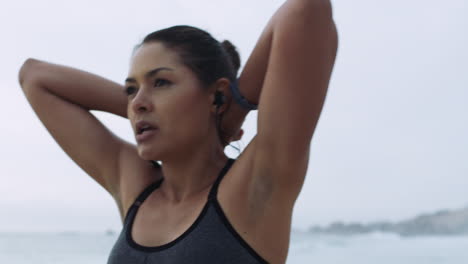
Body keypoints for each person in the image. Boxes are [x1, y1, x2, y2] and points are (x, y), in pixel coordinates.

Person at [18, 0, 338, 263]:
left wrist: (234, 108)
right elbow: (34, 76)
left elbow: (306, 11)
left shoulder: (255, 187)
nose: (139, 102)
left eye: (161, 82)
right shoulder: (137, 189)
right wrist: (149, 110)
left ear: (214, 95)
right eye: (131, 89)